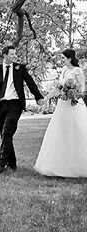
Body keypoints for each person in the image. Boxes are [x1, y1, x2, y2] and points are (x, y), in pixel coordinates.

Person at [0, 44, 44, 173]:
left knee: (7, 132)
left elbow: (31, 83)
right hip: (0, 106)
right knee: (5, 135)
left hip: (15, 105)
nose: (15, 56)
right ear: (5, 55)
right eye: (12, 54)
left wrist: (38, 97)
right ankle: (12, 164)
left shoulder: (20, 68)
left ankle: (0, 165)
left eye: (15, 54)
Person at [34, 48, 87, 178]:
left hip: (74, 105)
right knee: (60, 133)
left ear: (69, 58)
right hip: (62, 106)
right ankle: (58, 166)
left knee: (76, 132)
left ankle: (78, 166)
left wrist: (74, 94)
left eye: (63, 58)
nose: (61, 60)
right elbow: (58, 87)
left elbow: (83, 88)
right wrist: (45, 99)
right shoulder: (63, 70)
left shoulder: (77, 70)